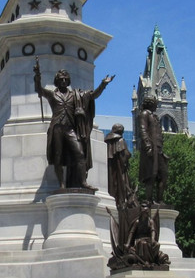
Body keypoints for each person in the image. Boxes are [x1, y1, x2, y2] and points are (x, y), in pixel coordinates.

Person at [34, 59, 113, 190]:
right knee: (58, 156)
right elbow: (39, 90)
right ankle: (62, 185)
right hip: (57, 128)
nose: (63, 81)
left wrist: (103, 85)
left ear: (68, 80)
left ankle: (83, 182)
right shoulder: (52, 94)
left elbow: (93, 95)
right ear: (57, 81)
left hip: (70, 129)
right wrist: (37, 75)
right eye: (61, 79)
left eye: (65, 79)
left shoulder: (76, 95)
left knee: (80, 154)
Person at [138, 95, 169, 204]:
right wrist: (148, 146)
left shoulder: (154, 116)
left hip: (159, 150)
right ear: (151, 103)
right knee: (151, 174)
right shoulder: (144, 114)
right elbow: (143, 130)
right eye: (155, 103)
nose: (157, 105)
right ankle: (149, 199)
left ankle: (160, 200)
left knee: (164, 175)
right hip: (151, 149)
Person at [104, 123, 132, 207]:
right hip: (120, 169)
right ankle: (121, 202)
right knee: (121, 184)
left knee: (112, 183)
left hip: (110, 168)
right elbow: (124, 156)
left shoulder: (106, 141)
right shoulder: (120, 140)